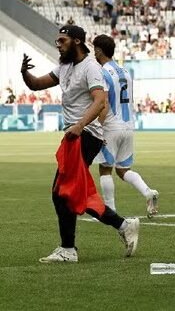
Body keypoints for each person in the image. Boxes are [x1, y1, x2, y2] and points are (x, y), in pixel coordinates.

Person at [20, 25, 139, 263]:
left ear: (76, 41)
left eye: (62, 40)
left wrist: (80, 125)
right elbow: (36, 84)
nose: (58, 44)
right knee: (72, 194)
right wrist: (25, 73)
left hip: (86, 136)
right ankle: (123, 225)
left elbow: (100, 101)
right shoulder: (64, 67)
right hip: (75, 135)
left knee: (61, 192)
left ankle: (69, 249)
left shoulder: (91, 67)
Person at [91, 34, 160, 215]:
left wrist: (98, 125)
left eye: (94, 49)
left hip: (111, 126)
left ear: (99, 51)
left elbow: (104, 103)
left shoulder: (102, 73)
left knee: (105, 169)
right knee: (123, 170)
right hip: (129, 125)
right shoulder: (126, 72)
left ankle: (110, 210)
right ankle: (148, 191)